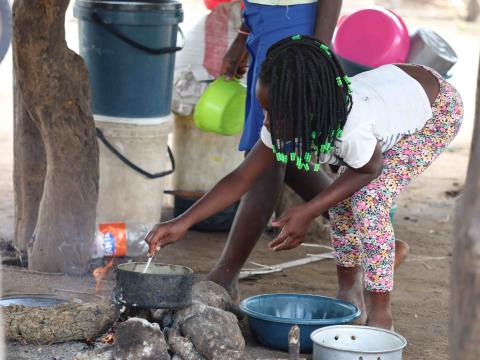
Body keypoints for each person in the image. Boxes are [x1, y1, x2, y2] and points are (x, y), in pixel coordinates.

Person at [146, 35, 463, 329]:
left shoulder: (353, 125)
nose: (267, 122)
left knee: (368, 197)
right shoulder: (289, 113)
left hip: (436, 113)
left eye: (274, 114)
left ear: (308, 109)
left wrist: (309, 210)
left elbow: (369, 168)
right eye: (265, 110)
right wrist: (182, 222)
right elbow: (241, 178)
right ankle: (348, 292)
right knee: (340, 201)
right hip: (397, 92)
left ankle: (381, 314)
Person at [204, 0, 343, 301]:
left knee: (265, 154)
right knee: (281, 153)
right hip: (263, 20)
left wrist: (315, 53)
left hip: (296, 26)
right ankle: (366, 225)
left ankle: (225, 276)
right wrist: (244, 33)